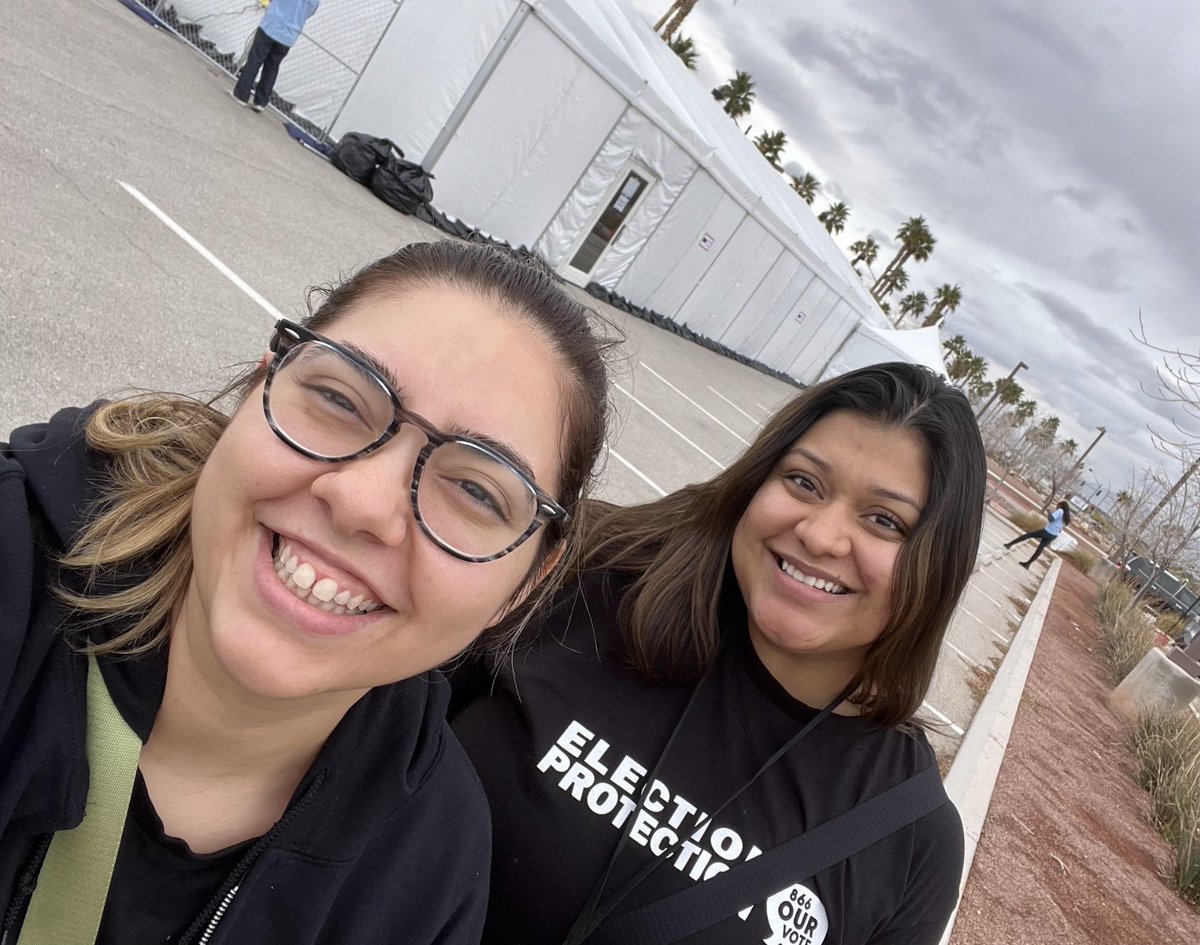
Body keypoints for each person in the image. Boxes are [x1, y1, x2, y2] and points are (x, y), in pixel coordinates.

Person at [0, 241, 609, 944]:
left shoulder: (429, 864)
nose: (361, 503)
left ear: (524, 584)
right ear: (259, 389)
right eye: (337, 398)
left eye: (475, 489)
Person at [452, 363, 986, 945]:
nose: (820, 535)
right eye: (804, 482)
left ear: (937, 569)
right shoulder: (579, 582)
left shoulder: (909, 838)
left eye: (884, 520)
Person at [231, 0, 321, 112]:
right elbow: (309, 13)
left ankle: (241, 95)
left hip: (271, 25)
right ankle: (260, 102)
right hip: (289, 36)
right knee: (272, 67)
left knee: (255, 60)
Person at [1004, 500, 1071, 569]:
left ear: (1060, 505)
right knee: (1040, 548)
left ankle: (1009, 544)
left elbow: (1051, 519)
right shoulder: (1066, 517)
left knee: (1028, 535)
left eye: (1057, 505)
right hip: (1053, 535)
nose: (1056, 507)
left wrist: (1049, 512)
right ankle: (1028, 564)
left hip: (1048, 531)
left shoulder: (1060, 511)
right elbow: (1060, 528)